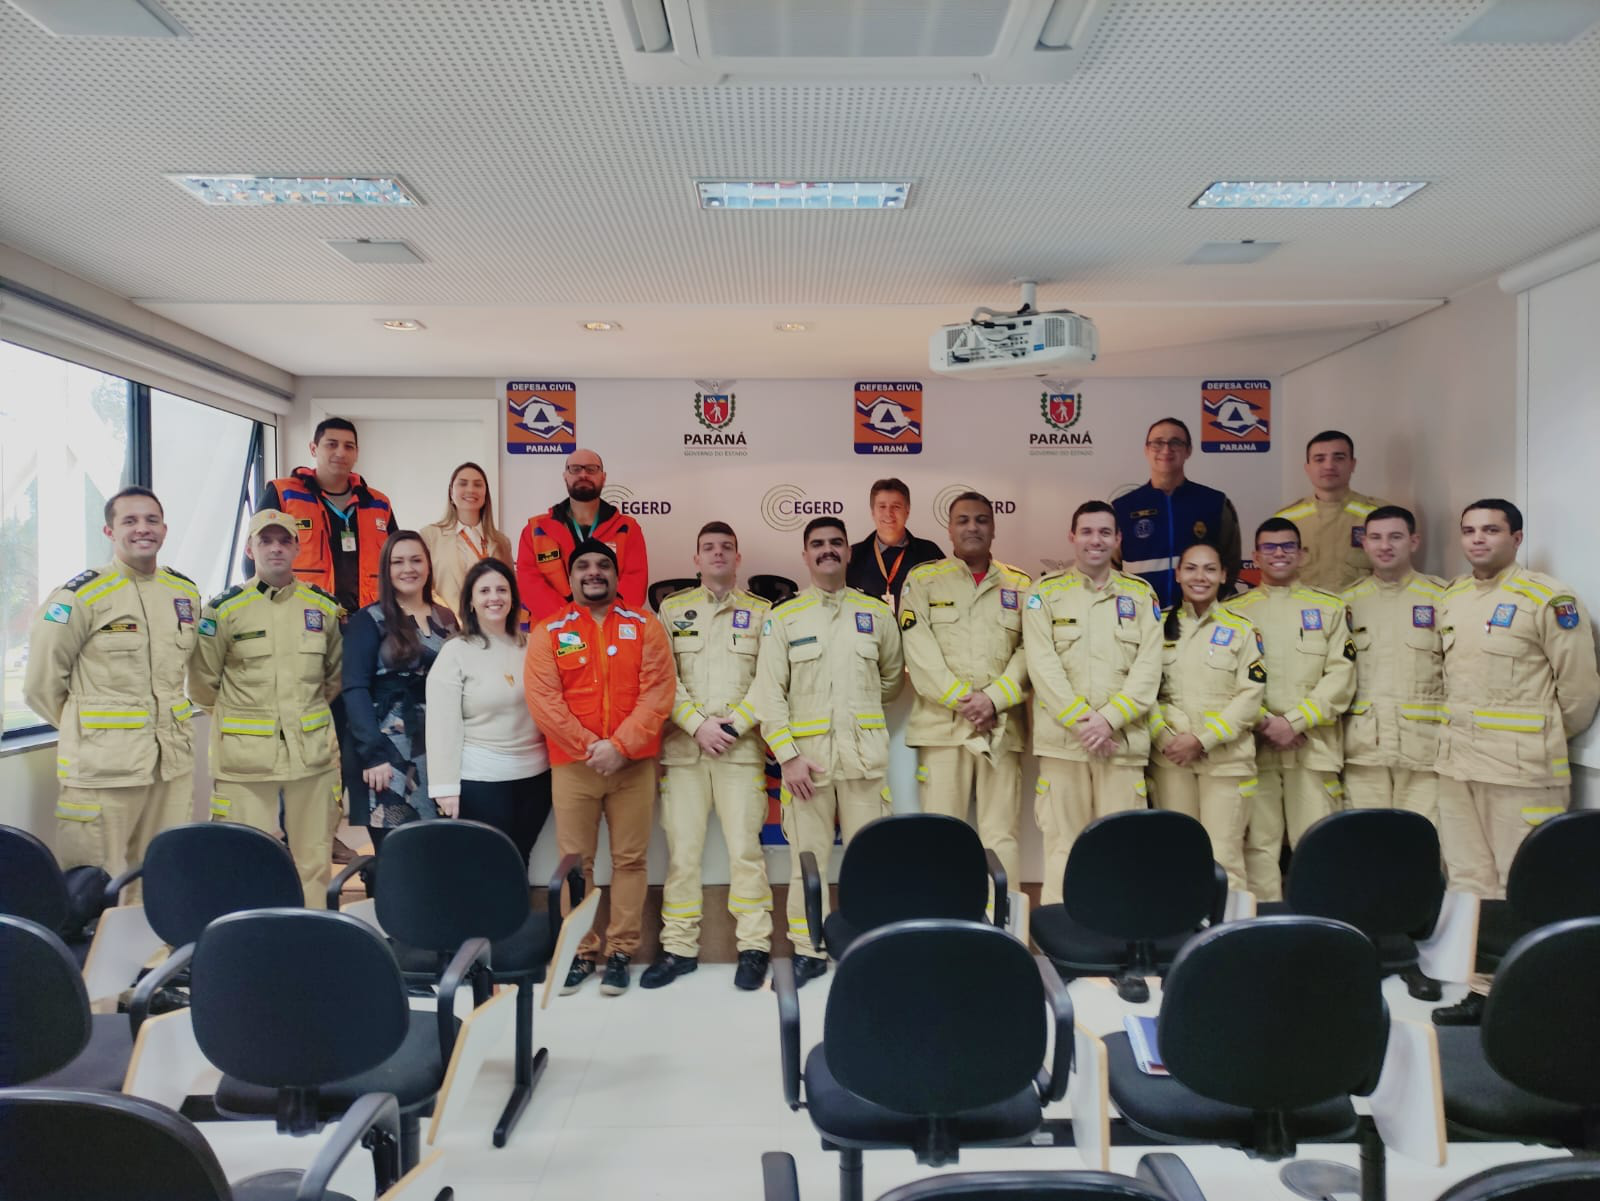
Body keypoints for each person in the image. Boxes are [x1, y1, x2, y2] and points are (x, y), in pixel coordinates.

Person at [1431, 499, 1599, 1026]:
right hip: (1458, 766)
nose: (1478, 539)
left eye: (1491, 530)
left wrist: (1535, 737)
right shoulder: (1454, 597)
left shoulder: (1547, 599)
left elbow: (1579, 691)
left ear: (1517, 538)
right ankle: (1484, 992)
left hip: (1521, 772)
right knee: (1469, 881)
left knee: (1522, 884)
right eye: (1469, 530)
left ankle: (1530, 999)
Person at [24, 486, 200, 897]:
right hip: (102, 770)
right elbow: (41, 685)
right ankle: (100, 945)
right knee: (94, 882)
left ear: (165, 529)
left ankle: (150, 942)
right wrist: (92, 732)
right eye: (130, 521)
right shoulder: (80, 597)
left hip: (170, 766)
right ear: (109, 531)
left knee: (164, 876)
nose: (143, 529)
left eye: (151, 520)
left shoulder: (184, 594)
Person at [753, 517, 903, 986]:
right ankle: (808, 949)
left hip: (863, 761)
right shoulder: (784, 617)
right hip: (807, 766)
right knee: (807, 864)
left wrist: (858, 719)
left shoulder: (875, 613)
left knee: (871, 863)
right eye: (817, 544)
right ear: (805, 555)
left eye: (836, 542)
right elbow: (769, 695)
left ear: (848, 551)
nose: (827, 550)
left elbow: (892, 679)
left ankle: (867, 947)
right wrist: (788, 756)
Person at [525, 540, 674, 997]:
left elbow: (659, 691)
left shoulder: (645, 626)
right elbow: (543, 700)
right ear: (570, 578)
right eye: (584, 566)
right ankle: (582, 951)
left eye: (603, 565)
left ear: (616, 574)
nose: (594, 572)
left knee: (631, 860)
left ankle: (622, 953)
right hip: (575, 766)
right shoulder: (549, 631)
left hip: (634, 765)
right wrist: (593, 747)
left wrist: (621, 747)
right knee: (576, 865)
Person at [644, 522, 775, 992]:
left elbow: (769, 680)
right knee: (682, 855)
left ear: (738, 558)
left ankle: (754, 947)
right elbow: (663, 678)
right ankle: (679, 949)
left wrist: (734, 724)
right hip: (685, 750)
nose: (717, 554)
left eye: (726, 548)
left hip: (740, 750)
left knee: (746, 852)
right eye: (708, 548)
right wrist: (697, 724)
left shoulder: (762, 612)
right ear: (696, 559)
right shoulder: (672, 609)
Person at [189, 510, 343, 906]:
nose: (275, 548)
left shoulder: (323, 608)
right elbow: (202, 684)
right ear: (250, 549)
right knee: (244, 859)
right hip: (245, 762)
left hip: (312, 756)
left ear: (297, 548)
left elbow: (333, 679)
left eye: (284, 540)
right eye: (266, 540)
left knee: (314, 861)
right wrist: (245, 725)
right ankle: (250, 933)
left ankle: (312, 929)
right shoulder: (223, 610)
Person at [1023, 501, 1162, 906]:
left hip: (1122, 745)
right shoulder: (1045, 593)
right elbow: (1042, 666)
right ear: (1072, 536)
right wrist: (1085, 723)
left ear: (1118, 539)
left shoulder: (1140, 595)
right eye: (1086, 531)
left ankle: (1119, 936)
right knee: (1062, 848)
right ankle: (1057, 935)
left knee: (1122, 850)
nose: (1095, 540)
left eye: (1104, 532)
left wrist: (1109, 720)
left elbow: (1148, 669)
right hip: (1064, 745)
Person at [899, 491, 1030, 886]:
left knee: (1001, 836)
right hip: (942, 730)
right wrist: (967, 702)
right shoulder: (923, 580)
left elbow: (1031, 650)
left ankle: (1003, 919)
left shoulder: (1020, 583)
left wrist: (994, 700)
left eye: (981, 520)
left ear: (993, 527)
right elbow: (919, 652)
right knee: (940, 836)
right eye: (963, 520)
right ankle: (944, 919)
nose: (973, 527)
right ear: (949, 529)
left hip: (1001, 728)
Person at [1222, 518, 1355, 902]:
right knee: (1258, 845)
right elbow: (1225, 680)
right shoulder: (1234, 611)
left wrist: (1294, 722)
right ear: (1256, 555)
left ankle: (1319, 924)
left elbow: (1341, 676)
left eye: (1287, 546)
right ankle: (1264, 923)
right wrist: (1267, 723)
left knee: (1317, 844)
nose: (1278, 553)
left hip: (1312, 746)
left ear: (1302, 554)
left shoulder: (1330, 607)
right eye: (1269, 547)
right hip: (1255, 747)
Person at [1147, 542, 1265, 892]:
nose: (1200, 577)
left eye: (1210, 569)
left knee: (1225, 859)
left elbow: (1251, 696)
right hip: (1171, 760)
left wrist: (1202, 740)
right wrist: (1165, 737)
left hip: (1226, 762)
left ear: (1224, 575)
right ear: (1178, 574)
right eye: (1192, 568)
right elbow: (1143, 690)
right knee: (1177, 856)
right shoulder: (1156, 626)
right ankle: (1181, 927)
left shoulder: (1242, 629)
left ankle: (1229, 928)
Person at [426, 558, 550, 870]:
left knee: (520, 860)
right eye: (484, 591)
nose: (494, 597)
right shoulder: (456, 652)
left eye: (501, 590)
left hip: (536, 778)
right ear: (470, 601)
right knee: (488, 865)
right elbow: (441, 726)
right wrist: (444, 788)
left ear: (513, 598)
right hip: (482, 781)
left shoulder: (534, 645)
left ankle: (517, 906)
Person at [341, 532, 458, 849]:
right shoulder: (369, 619)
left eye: (416, 560)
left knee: (435, 848)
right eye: (398, 561)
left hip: (436, 748)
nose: (408, 569)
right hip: (387, 751)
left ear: (428, 565)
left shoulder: (446, 617)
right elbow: (354, 689)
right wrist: (374, 755)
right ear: (386, 569)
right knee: (395, 853)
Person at [1340, 505, 1447, 822]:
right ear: (1364, 543)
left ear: (1414, 541)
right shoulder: (1344, 603)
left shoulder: (1442, 598)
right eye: (1376, 537)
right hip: (1363, 752)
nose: (1385, 546)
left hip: (1426, 752)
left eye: (1395, 537)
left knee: (1422, 841)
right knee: (1365, 841)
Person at [259, 417, 397, 614]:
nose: (340, 452)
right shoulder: (283, 494)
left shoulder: (378, 503)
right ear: (313, 449)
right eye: (332, 444)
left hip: (368, 617)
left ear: (356, 453)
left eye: (349, 446)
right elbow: (255, 557)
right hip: (302, 614)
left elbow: (397, 560)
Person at [1113, 417, 1242, 607]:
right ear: (1147, 450)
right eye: (1157, 443)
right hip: (1140, 618)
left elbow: (1230, 564)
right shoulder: (1122, 508)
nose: (1166, 449)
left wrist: (1207, 606)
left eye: (1175, 442)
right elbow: (1110, 569)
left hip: (1198, 617)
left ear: (1188, 451)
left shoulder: (1215, 503)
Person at [516, 448, 649, 622]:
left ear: (603, 477)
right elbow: (529, 583)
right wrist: (570, 619)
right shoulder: (536, 530)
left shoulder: (627, 528)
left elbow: (635, 582)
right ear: (565, 476)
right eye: (575, 469)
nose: (583, 474)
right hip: (554, 629)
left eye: (591, 469)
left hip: (611, 628)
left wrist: (604, 618)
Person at [1275, 430, 1389, 594]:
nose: (1329, 466)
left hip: (1362, 608)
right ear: (1307, 468)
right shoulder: (1285, 519)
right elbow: (1275, 581)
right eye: (1319, 459)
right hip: (1304, 608)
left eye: (1339, 458)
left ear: (1352, 464)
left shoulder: (1381, 516)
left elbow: (1396, 575)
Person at [421, 461, 513, 623]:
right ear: (451, 492)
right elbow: (424, 588)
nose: (471, 490)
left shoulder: (501, 542)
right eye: (463, 484)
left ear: (485, 493)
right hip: (447, 628)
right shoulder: (430, 536)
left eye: (478, 485)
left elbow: (510, 590)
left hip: (492, 629)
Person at [845, 478, 944, 609]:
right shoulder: (854, 556)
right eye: (882, 506)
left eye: (896, 507)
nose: (888, 513)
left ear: (907, 511)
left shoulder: (929, 553)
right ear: (873, 512)